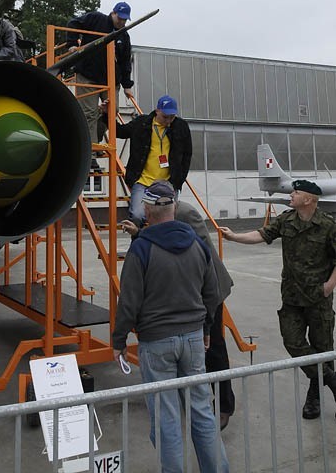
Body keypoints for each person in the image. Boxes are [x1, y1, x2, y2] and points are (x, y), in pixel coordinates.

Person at [113, 185, 229, 472]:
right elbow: (212, 293)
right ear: (174, 209)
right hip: (192, 340)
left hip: (156, 343)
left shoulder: (140, 249)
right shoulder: (198, 244)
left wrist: (118, 340)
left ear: (148, 211)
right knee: (202, 412)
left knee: (166, 420)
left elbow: (129, 301)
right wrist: (205, 329)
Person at [220, 179, 336, 420]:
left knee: (322, 348)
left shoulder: (328, 225)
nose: (291, 195)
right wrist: (233, 237)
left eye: (296, 192)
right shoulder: (286, 220)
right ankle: (334, 382)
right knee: (293, 343)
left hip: (318, 299)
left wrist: (329, 286)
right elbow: (261, 235)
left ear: (309, 200)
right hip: (292, 297)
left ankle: (314, 396)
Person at [114, 95, 192, 225]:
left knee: (168, 219)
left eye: (172, 117)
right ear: (157, 111)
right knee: (138, 216)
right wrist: (107, 115)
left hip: (168, 183)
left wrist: (179, 180)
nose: (168, 121)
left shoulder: (180, 126)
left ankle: (163, 244)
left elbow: (187, 154)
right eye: (165, 117)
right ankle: (139, 243)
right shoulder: (142, 123)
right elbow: (121, 132)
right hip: (143, 181)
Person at [66, 2, 134, 150]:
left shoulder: (124, 35)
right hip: (87, 75)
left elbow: (125, 62)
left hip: (110, 80)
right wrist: (72, 44)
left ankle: (93, 141)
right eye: (120, 18)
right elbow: (73, 22)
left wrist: (127, 86)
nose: (121, 22)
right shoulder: (96, 19)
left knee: (112, 111)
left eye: (124, 20)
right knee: (89, 113)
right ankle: (89, 150)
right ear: (113, 13)